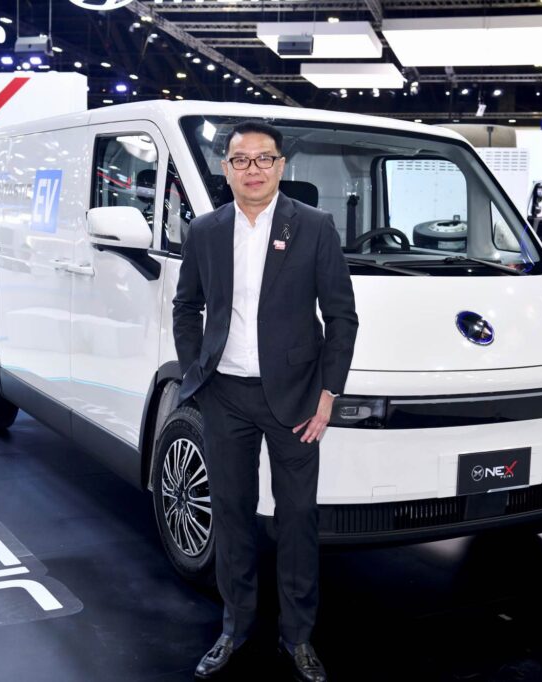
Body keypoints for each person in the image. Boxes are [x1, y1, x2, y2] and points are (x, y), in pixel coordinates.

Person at [173, 120, 358, 682]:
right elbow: (186, 307)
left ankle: (297, 637)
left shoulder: (315, 226)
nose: (252, 169)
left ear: (280, 166)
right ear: (225, 168)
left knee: (297, 519)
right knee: (231, 515)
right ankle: (234, 628)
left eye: (263, 159)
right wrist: (197, 373)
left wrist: (328, 393)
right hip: (225, 395)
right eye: (240, 159)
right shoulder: (206, 230)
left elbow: (341, 316)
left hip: (297, 399)